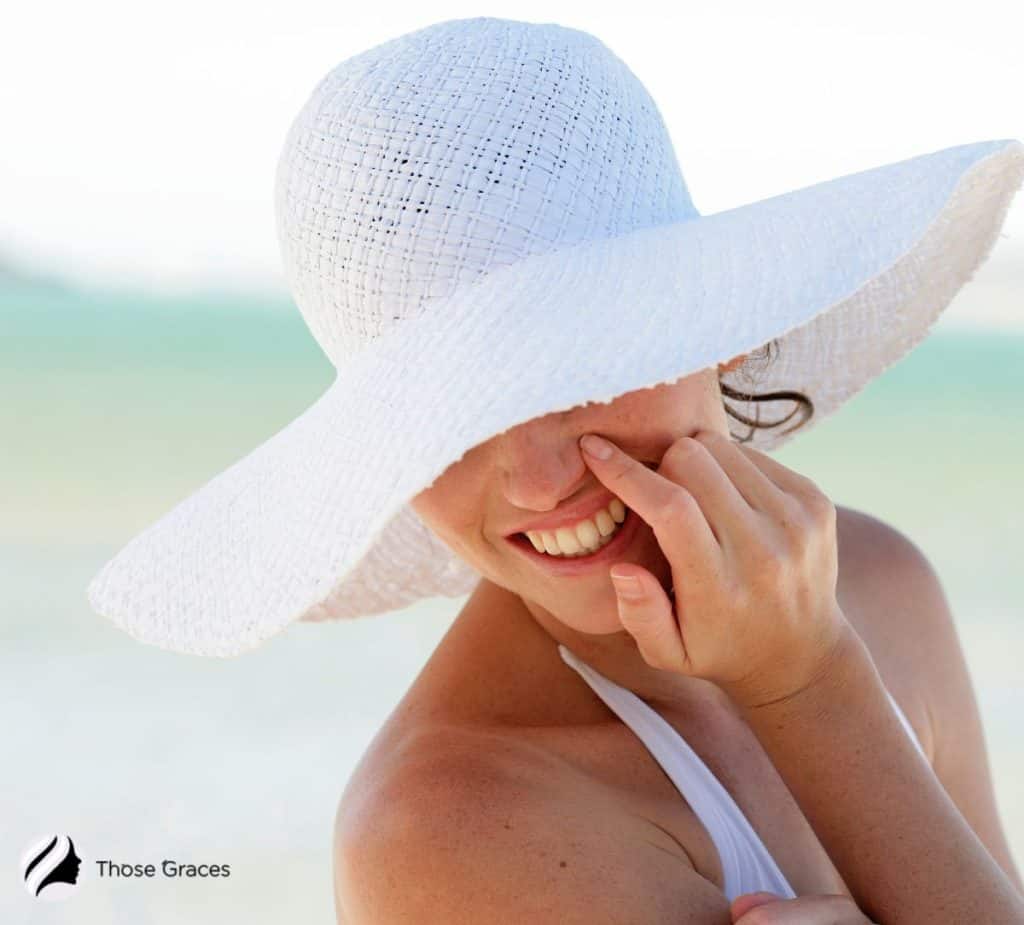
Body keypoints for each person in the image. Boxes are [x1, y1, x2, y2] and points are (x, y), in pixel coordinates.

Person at [85, 16, 1024, 924]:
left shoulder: (886, 588)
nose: (534, 480)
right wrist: (809, 681)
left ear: (722, 326)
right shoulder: (446, 831)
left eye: (573, 371)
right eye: (446, 418)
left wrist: (815, 672)